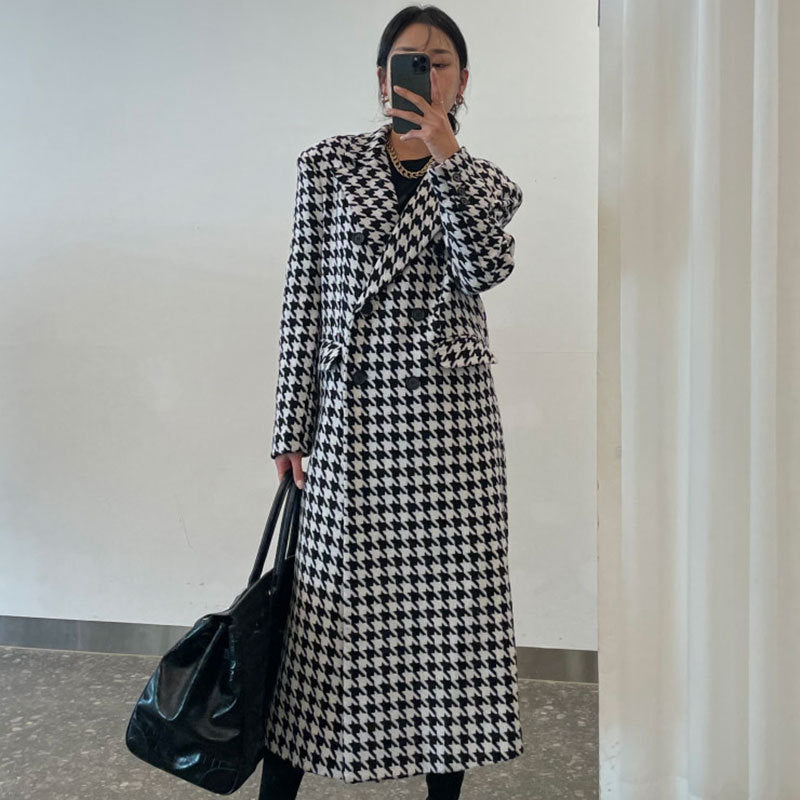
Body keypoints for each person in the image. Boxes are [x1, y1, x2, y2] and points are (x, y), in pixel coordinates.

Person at [261, 6, 524, 799]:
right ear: (383, 78)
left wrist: (447, 157)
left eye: (439, 62)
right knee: (318, 630)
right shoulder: (328, 167)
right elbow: (304, 297)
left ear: (463, 81)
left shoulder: (484, 183)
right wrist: (290, 423)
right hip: (353, 428)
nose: (425, 73)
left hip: (449, 435)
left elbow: (485, 270)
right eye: (410, 60)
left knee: (450, 632)